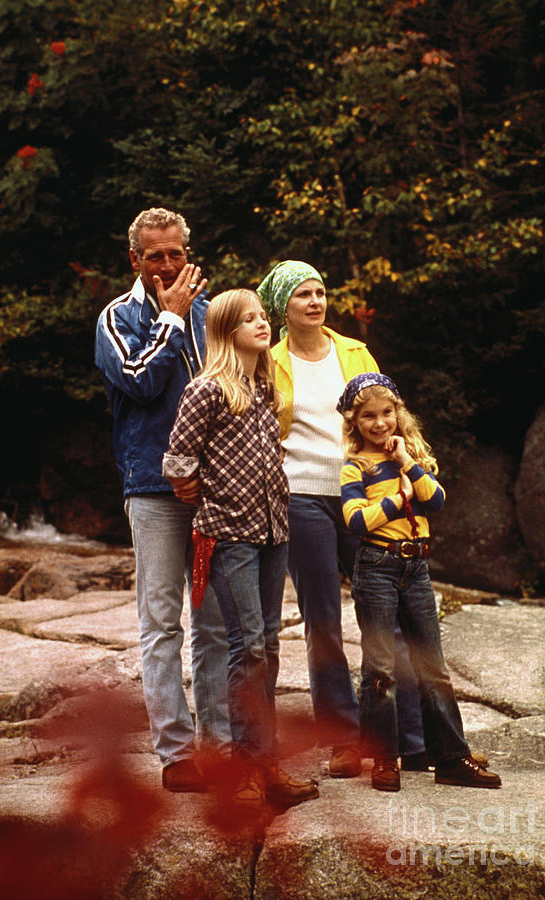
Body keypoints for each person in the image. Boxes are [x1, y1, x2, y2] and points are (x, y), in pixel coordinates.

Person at [257, 260, 427, 778]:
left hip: (364, 495)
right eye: (303, 294)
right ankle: (343, 740)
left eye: (320, 292)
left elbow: (387, 415)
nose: (315, 302)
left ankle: (407, 739)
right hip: (301, 496)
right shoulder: (267, 360)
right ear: (283, 307)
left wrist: (409, 469)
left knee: (387, 616)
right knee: (324, 622)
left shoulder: (354, 352)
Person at [163, 289, 319, 816]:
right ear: (227, 331)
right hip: (229, 535)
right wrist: (206, 496)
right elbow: (177, 460)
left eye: (262, 316)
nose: (261, 324)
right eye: (249, 319)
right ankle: (245, 770)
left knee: (268, 648)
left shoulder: (265, 387)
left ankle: (266, 764)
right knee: (246, 647)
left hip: (274, 531)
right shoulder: (206, 389)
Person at [94, 207, 230, 792]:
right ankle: (176, 756)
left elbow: (231, 392)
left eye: (176, 253)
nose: (168, 265)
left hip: (213, 491)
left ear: (187, 254)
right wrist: (171, 319)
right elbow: (140, 381)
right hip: (152, 489)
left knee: (215, 623)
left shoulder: (210, 314)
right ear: (135, 259)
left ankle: (220, 750)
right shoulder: (117, 317)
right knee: (160, 623)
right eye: (156, 256)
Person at [338, 372, 502, 791]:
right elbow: (356, 521)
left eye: (387, 413)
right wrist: (399, 498)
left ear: (399, 413)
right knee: (381, 668)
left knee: (433, 666)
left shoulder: (409, 458)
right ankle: (384, 759)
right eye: (369, 416)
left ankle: (450, 758)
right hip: (376, 566)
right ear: (354, 421)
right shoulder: (355, 467)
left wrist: (406, 463)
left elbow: (437, 499)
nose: (380, 423)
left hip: (416, 569)